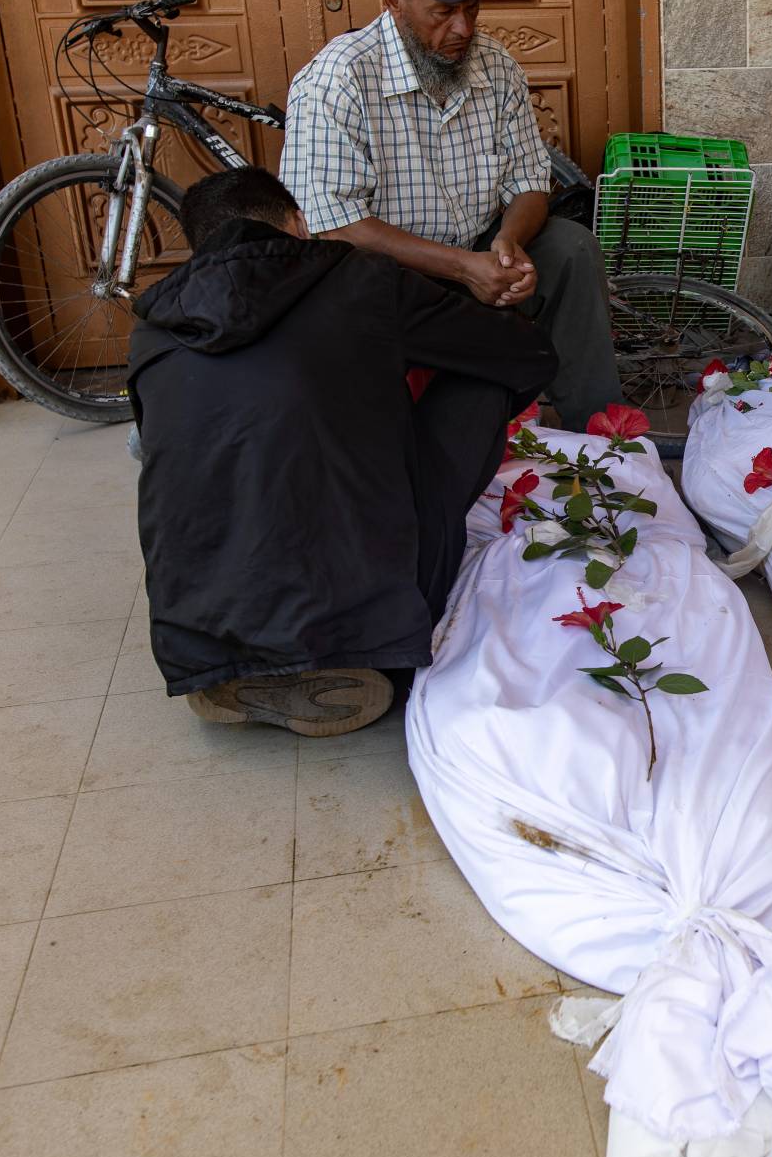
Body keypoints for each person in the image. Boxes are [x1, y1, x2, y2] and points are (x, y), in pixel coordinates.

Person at [128, 167, 555, 736]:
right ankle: (354, 650)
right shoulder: (362, 279)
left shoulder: (153, 326)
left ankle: (235, 665)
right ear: (299, 223)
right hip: (362, 604)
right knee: (485, 373)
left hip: (199, 629)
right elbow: (524, 353)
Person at [279, 0, 619, 430]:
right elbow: (335, 222)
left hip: (480, 247)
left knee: (570, 248)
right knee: (351, 301)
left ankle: (599, 435)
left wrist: (509, 244)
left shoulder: (495, 63)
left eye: (472, 7)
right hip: (388, 272)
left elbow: (529, 182)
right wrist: (464, 267)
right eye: (443, 11)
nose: (463, 28)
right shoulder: (338, 78)